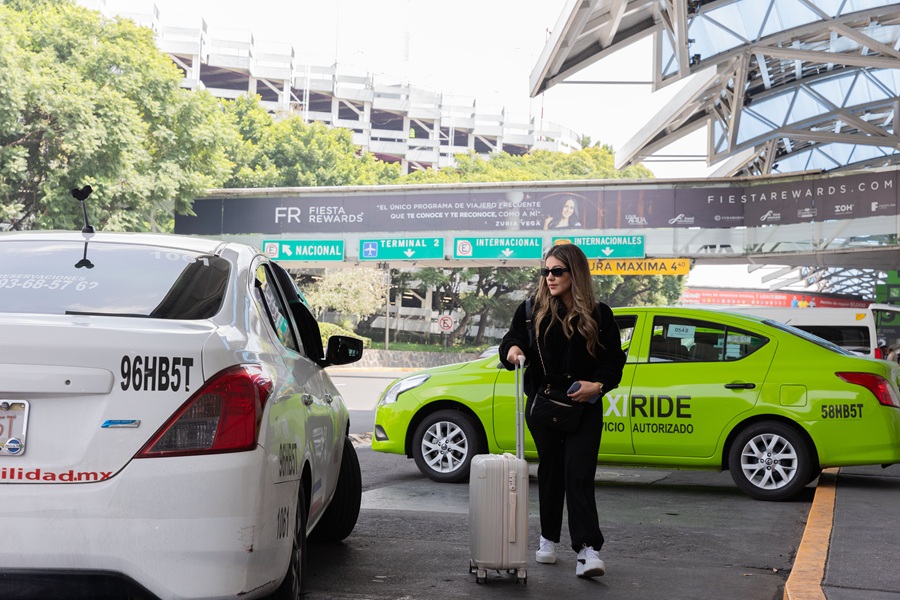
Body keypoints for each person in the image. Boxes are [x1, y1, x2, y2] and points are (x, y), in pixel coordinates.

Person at [499, 244, 626, 579]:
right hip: (544, 404)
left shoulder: (600, 314)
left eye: (557, 271)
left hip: (584, 406)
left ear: (575, 273)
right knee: (552, 472)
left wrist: (597, 386)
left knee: (578, 473)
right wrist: (513, 350)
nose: (550, 278)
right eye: (546, 271)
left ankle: (588, 549)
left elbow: (614, 360)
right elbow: (512, 340)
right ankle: (548, 537)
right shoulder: (531, 310)